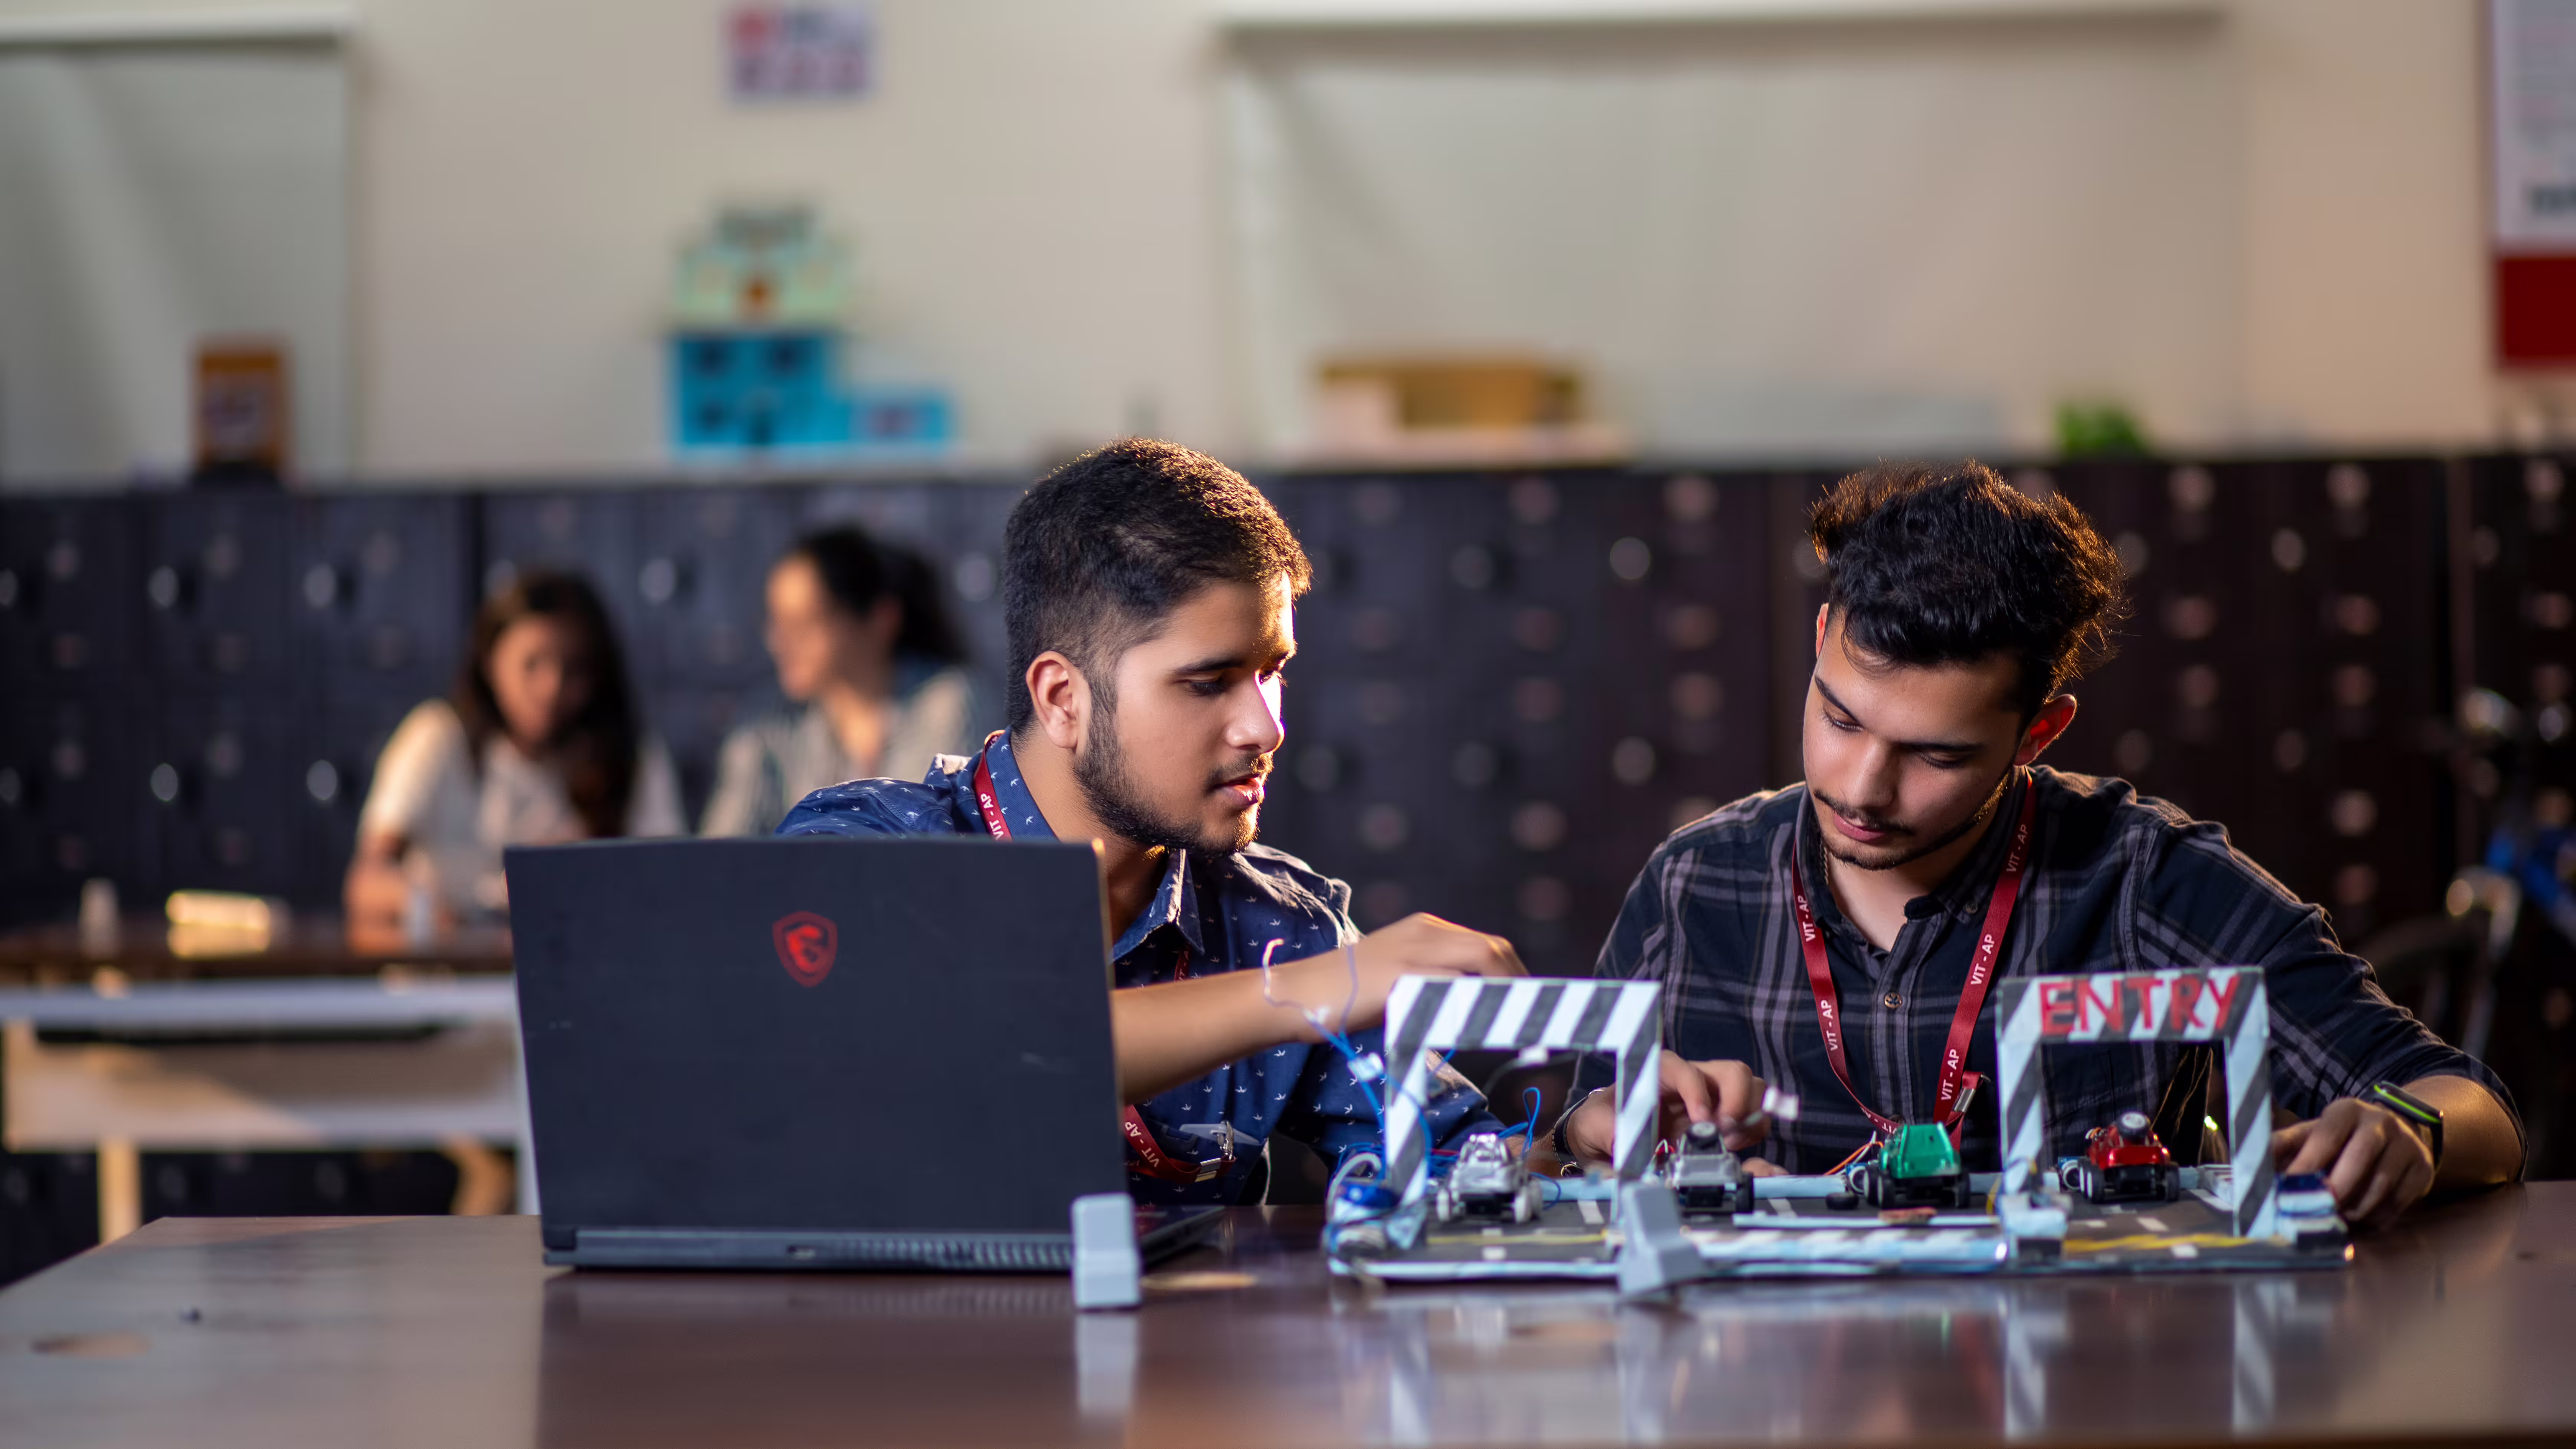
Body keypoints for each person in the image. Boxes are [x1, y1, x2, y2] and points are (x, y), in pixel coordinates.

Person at [1555, 461, 2521, 1230]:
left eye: (1934, 754)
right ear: (1820, 640)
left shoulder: (2147, 879)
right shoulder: (1692, 887)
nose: (1860, 788)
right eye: (1840, 718)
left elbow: (2475, 1108)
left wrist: (2413, 1130)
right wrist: (1590, 1136)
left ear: (2040, 734)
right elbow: (1566, 1151)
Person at [778, 439, 1526, 1204]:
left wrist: (1576, 1143)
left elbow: (1465, 1171)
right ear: (1064, 699)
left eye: (1272, 673)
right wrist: (1296, 997)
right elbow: (958, 1046)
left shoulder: (1278, 926)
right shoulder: (864, 848)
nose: (1265, 729)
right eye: (1210, 683)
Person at [347, 570, 684, 931]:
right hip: (451, 978)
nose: (551, 687)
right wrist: (432, 908)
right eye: (531, 664)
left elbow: (670, 883)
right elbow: (368, 881)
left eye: (574, 669)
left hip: (574, 973)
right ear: (491, 662)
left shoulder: (630, 753)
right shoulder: (439, 738)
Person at [700, 527, 979, 836]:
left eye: (804, 623)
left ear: (881, 619)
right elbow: (720, 856)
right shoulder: (765, 729)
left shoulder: (947, 704)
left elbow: (946, 845)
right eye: (776, 622)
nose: (779, 642)